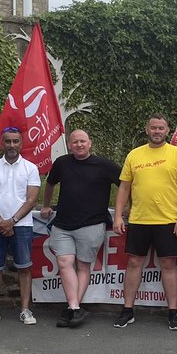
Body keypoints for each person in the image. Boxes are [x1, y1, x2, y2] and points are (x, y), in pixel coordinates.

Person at [113, 114, 177, 331]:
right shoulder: (134, 155)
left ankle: (173, 312)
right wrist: (118, 215)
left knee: (169, 266)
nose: (157, 131)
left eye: (161, 128)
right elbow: (124, 187)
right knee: (133, 264)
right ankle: (127, 310)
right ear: (147, 129)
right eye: (153, 128)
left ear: (167, 130)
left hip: (168, 220)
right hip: (139, 219)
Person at [41, 129, 121, 328]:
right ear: (69, 145)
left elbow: (127, 184)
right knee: (64, 261)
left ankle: (72, 308)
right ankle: (75, 308)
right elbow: (50, 184)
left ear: (90, 143)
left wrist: (125, 208)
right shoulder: (62, 163)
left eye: (82, 141)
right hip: (63, 223)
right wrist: (45, 204)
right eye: (75, 142)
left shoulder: (105, 165)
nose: (79, 145)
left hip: (92, 223)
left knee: (83, 265)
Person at [0, 127, 41, 326]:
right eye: (8, 141)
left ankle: (25, 310)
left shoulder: (30, 168)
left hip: (22, 226)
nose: (12, 145)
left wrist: (11, 221)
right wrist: (1, 223)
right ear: (1, 143)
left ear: (21, 144)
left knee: (24, 268)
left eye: (15, 141)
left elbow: (31, 200)